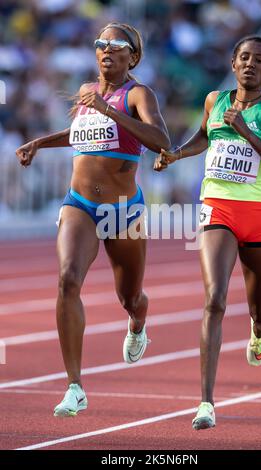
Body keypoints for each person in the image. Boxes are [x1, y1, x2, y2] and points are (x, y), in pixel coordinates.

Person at [16, 22, 170, 417]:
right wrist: (40, 143)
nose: (105, 49)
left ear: (132, 57)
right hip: (79, 204)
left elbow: (161, 142)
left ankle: (138, 323)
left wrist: (109, 111)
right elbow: (80, 133)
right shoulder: (87, 92)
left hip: (124, 211)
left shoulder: (138, 94)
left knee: (129, 297)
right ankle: (75, 386)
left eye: (115, 45)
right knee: (67, 279)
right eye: (100, 43)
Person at [154, 36, 261, 429]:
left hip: (260, 213)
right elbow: (205, 136)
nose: (251, 64)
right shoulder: (214, 100)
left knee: (260, 309)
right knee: (214, 299)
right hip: (217, 207)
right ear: (233, 63)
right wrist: (178, 153)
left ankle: (259, 330)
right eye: (245, 58)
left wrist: (248, 133)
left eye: (260, 60)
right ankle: (206, 403)